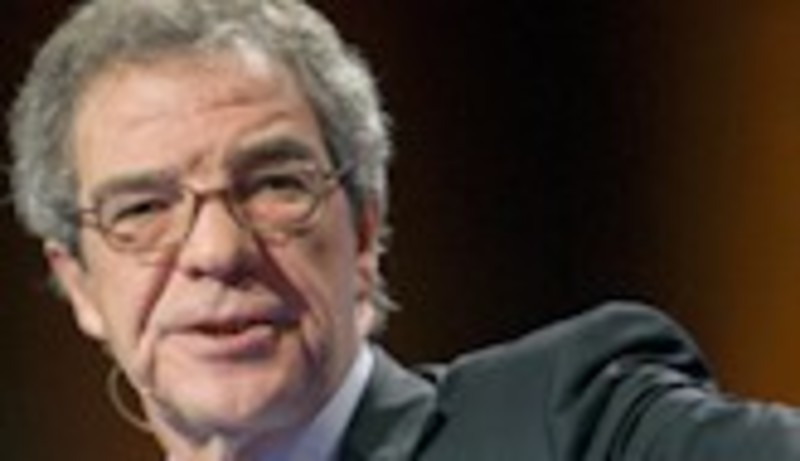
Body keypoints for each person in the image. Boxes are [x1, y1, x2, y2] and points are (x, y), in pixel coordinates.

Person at [7, 0, 800, 460]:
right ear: (79, 283)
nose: (217, 251)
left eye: (276, 185)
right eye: (143, 208)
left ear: (363, 231)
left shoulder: (568, 426)